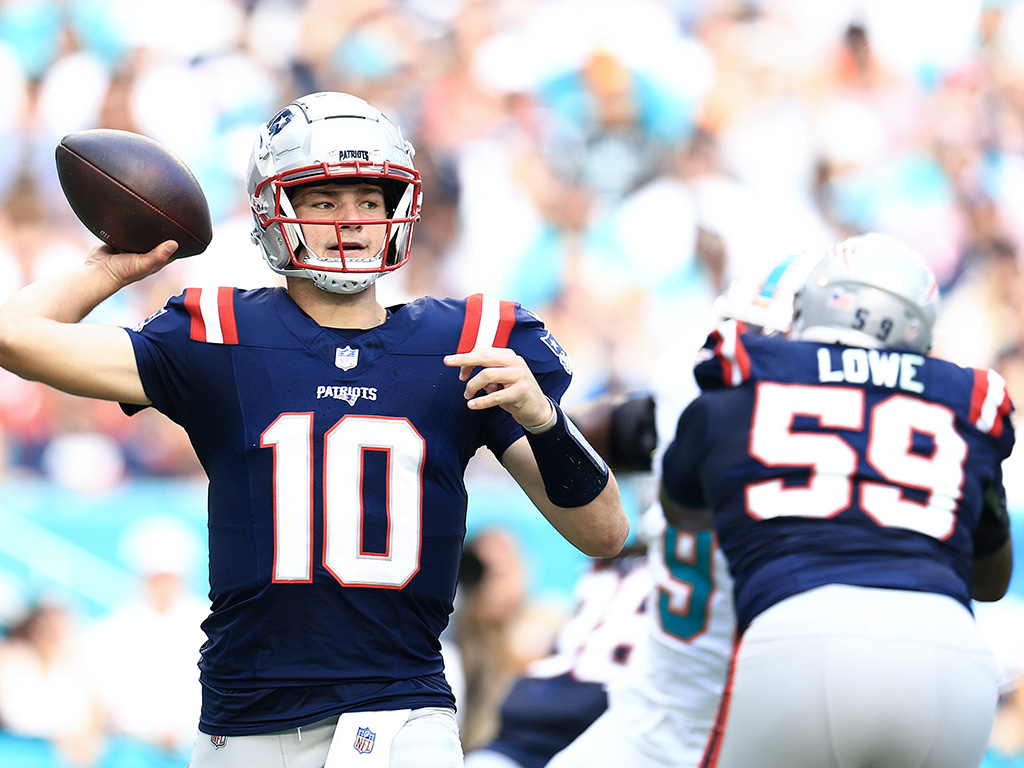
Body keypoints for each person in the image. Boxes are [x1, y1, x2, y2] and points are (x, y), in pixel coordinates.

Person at [0, 91, 629, 768]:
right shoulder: (219, 335)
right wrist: (111, 266)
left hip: (400, 711)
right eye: (324, 200)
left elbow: (604, 532)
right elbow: (14, 336)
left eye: (369, 198)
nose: (351, 222)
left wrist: (545, 421)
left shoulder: (468, 343)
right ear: (277, 211)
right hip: (241, 721)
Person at [659, 233, 1015, 768]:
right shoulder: (967, 402)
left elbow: (684, 513)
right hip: (954, 662)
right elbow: (991, 581)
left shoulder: (741, 385)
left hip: (801, 639)